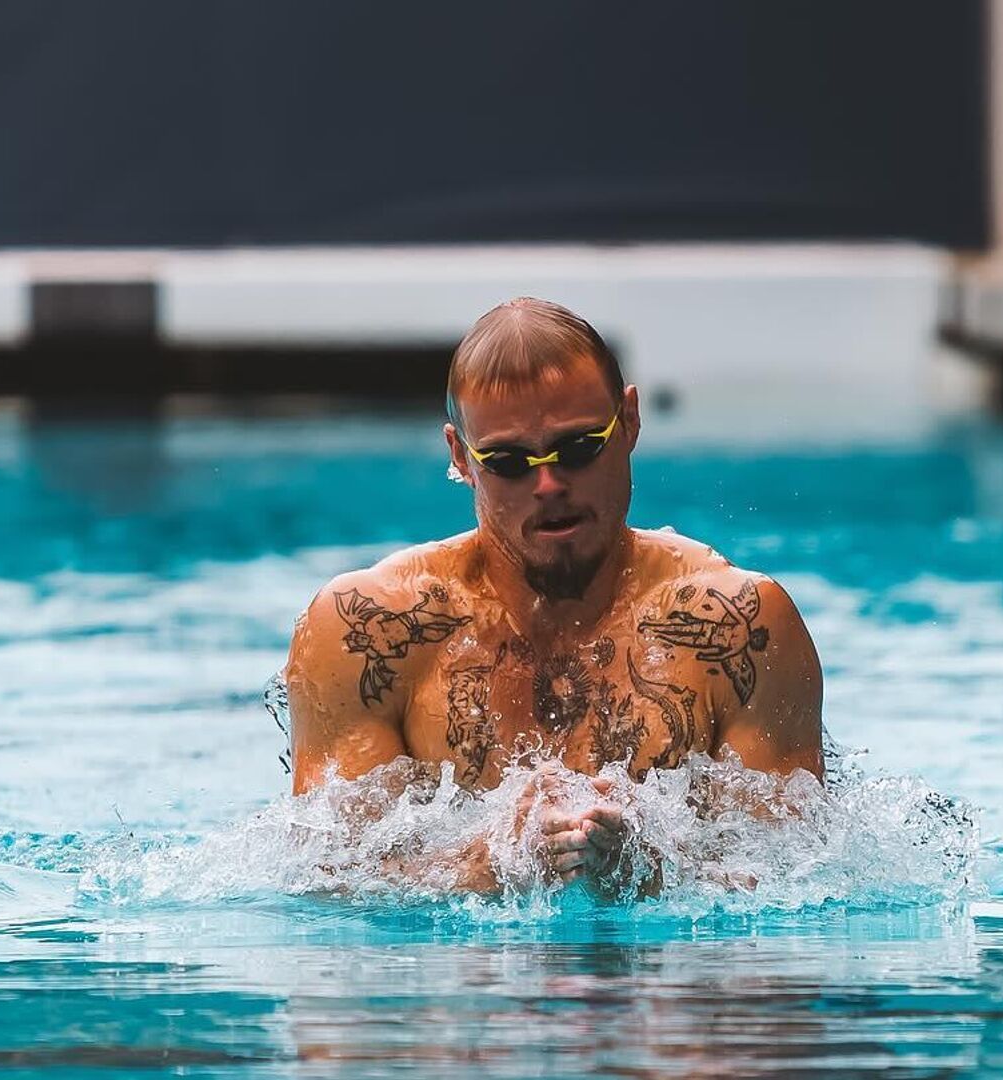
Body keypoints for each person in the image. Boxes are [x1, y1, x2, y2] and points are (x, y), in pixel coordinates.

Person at [282, 297, 823, 893]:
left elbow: (795, 877)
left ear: (630, 421)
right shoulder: (370, 630)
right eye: (509, 461)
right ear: (461, 456)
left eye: (579, 447)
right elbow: (327, 883)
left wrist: (650, 870)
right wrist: (487, 864)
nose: (548, 484)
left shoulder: (737, 625)